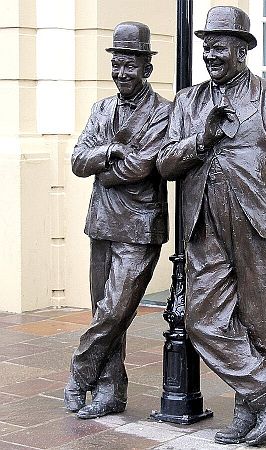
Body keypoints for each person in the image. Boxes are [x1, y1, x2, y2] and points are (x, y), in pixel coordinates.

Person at [157, 6, 266, 446]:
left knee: (264, 325)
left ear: (242, 50)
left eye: (219, 46)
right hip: (206, 225)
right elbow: (166, 163)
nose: (210, 53)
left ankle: (251, 414)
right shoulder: (188, 101)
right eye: (206, 46)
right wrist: (202, 138)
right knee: (202, 321)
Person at [64, 21, 170, 419]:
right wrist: (110, 150)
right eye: (117, 65)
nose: (122, 73)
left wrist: (105, 168)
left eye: (130, 65)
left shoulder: (164, 111)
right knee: (106, 313)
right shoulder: (101, 109)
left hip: (140, 226)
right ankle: (110, 390)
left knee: (115, 309)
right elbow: (78, 161)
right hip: (102, 222)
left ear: (146, 67)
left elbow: (143, 166)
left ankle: (79, 373)